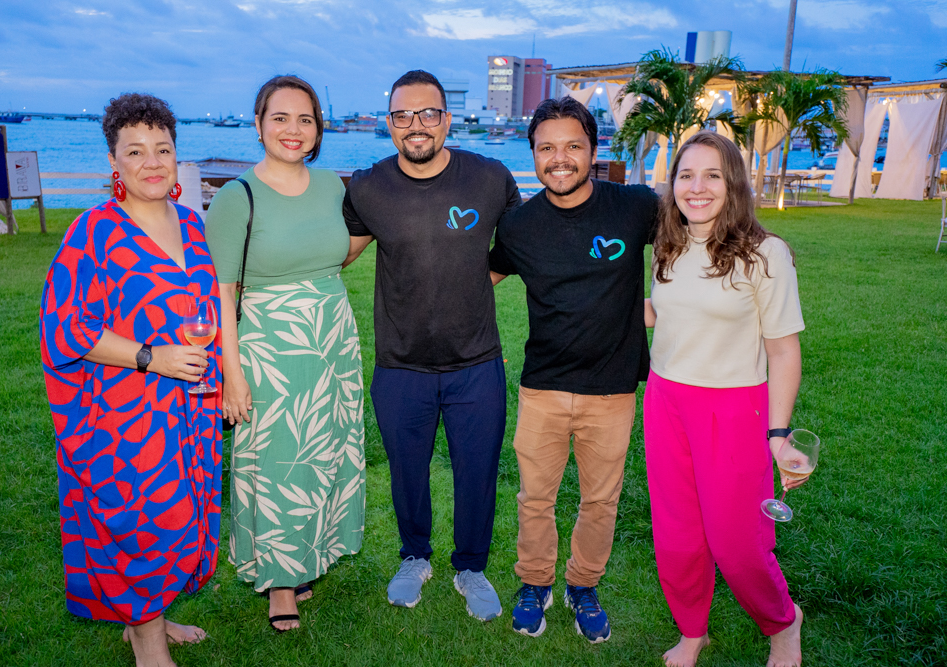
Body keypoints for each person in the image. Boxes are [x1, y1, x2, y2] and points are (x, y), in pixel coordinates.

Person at [40, 93, 221, 667]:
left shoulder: (191, 224)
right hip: (125, 412)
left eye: (162, 149)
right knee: (143, 523)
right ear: (113, 162)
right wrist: (151, 357)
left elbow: (207, 308)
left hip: (189, 406)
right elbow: (65, 327)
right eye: (135, 151)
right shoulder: (93, 231)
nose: (151, 162)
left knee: (182, 514)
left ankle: (151, 620)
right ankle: (148, 648)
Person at [342, 70, 521, 621]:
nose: (415, 124)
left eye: (427, 113)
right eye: (403, 115)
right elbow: (338, 254)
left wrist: (473, 281)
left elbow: (518, 245)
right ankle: (414, 556)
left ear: (446, 120)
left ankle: (471, 567)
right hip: (400, 365)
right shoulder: (368, 187)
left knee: (478, 472)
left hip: (476, 363)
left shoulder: (489, 178)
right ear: (389, 122)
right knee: (406, 473)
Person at [488, 97, 659, 643]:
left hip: (612, 390)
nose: (559, 159)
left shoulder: (635, 207)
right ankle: (535, 582)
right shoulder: (519, 226)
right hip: (542, 387)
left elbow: (703, 226)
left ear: (593, 149)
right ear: (533, 154)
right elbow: (477, 280)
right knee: (534, 499)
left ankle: (583, 585)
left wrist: (764, 244)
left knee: (600, 501)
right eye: (547, 148)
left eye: (572, 146)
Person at [205, 75, 365, 633]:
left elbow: (341, 251)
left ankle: (310, 555)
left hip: (332, 343)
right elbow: (221, 294)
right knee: (276, 463)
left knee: (323, 455)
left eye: (305, 119)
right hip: (269, 349)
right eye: (280, 118)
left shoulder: (332, 187)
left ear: (318, 128)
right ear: (258, 125)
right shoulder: (236, 197)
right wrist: (232, 375)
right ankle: (279, 583)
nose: (293, 130)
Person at [643, 130, 805, 667]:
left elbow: (782, 350)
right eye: (686, 175)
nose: (697, 187)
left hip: (733, 409)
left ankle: (783, 621)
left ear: (733, 182)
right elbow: (666, 310)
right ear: (673, 184)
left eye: (712, 175)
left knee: (737, 541)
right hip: (666, 402)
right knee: (677, 534)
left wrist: (778, 435)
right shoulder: (667, 246)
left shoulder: (765, 254)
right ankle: (693, 630)